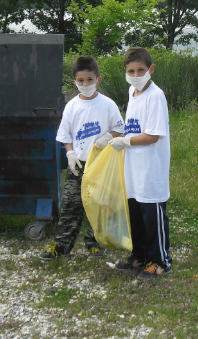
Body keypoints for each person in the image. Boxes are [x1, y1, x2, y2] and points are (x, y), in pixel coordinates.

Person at [39, 55, 124, 260]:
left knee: (101, 204)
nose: (85, 84)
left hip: (100, 165)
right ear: (74, 81)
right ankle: (62, 246)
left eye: (89, 80)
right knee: (70, 204)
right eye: (81, 81)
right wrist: (70, 153)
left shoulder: (107, 104)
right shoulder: (72, 106)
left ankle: (95, 242)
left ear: (98, 80)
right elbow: (65, 134)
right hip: (77, 164)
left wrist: (107, 136)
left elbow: (120, 128)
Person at [110, 47, 172, 279]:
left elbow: (153, 135)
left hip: (150, 170)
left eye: (141, 70)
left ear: (151, 70)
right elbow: (133, 126)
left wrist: (127, 142)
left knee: (152, 216)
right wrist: (117, 137)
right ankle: (139, 254)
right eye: (131, 71)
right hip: (133, 168)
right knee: (134, 213)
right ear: (125, 72)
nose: (136, 76)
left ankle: (160, 261)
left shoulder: (156, 96)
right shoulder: (132, 92)